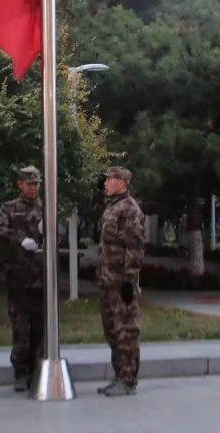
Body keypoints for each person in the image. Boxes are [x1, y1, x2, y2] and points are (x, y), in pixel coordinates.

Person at [0, 165, 46, 392]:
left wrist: (50, 231)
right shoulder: (10, 208)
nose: (33, 188)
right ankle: (20, 373)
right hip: (18, 279)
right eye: (29, 184)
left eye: (36, 184)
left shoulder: (45, 208)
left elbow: (56, 239)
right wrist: (20, 239)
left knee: (39, 330)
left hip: (41, 280)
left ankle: (36, 370)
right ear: (20, 184)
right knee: (21, 329)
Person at [95, 166, 145, 397]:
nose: (105, 183)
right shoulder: (112, 206)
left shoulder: (130, 209)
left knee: (126, 332)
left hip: (121, 282)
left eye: (110, 179)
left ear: (122, 182)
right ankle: (119, 375)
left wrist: (128, 280)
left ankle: (128, 380)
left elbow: (134, 247)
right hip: (107, 280)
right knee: (112, 331)